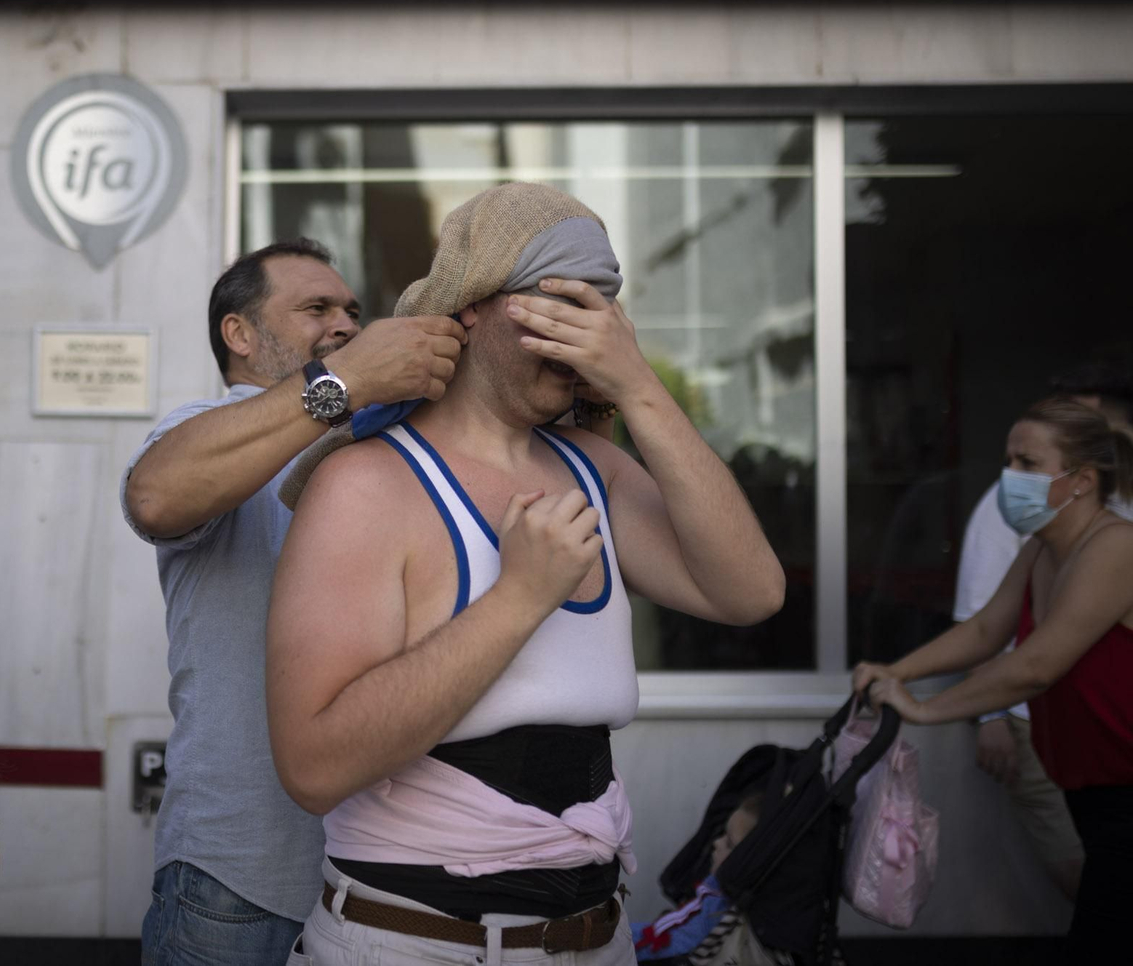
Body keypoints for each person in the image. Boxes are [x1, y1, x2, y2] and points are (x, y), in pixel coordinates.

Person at [266, 184, 787, 966]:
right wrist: (517, 599)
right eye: (560, 302)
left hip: (597, 934)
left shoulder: (593, 468)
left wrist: (640, 388)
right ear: (472, 307)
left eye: (602, 310)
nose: (584, 333)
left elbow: (750, 591)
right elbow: (312, 766)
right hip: (418, 943)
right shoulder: (369, 485)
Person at [121, 238, 469, 966]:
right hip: (237, 881)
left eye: (351, 310)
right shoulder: (204, 426)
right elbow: (156, 494)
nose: (344, 324)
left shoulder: (380, 445)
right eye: (315, 308)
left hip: (382, 884)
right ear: (239, 334)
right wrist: (342, 379)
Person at [854, 397, 1133, 953]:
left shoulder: (1116, 547)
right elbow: (985, 632)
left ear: (1081, 480)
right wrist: (894, 670)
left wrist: (925, 708)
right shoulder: (1043, 549)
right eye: (1008, 460)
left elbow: (1035, 666)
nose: (1010, 477)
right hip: (1095, 785)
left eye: (1028, 463)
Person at [951, 364, 1132, 901]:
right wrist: (987, 715)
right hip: (1041, 723)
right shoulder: (1024, 514)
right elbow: (984, 622)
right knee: (1090, 879)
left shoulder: (1111, 526)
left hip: (1107, 740)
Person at [630, 793, 762, 960]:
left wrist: (622, 943)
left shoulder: (719, 912)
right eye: (723, 834)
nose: (717, 842)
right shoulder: (714, 888)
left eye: (729, 843)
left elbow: (677, 946)